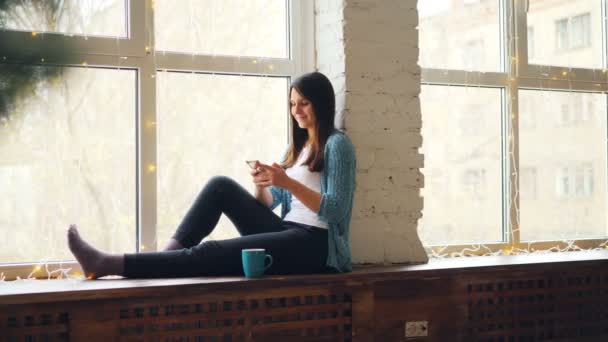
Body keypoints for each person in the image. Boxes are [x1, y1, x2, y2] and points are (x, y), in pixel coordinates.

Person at [67, 71, 357, 279]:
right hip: (287, 231)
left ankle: (109, 264)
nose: (296, 110)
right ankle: (165, 258)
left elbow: (336, 209)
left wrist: (288, 182)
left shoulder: (337, 145)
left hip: (316, 245)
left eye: (303, 103)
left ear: (321, 103)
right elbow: (270, 203)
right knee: (220, 186)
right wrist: (262, 184)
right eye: (292, 104)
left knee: (211, 251)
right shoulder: (297, 147)